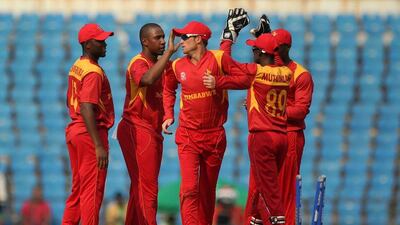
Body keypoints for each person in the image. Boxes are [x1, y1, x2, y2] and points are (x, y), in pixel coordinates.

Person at [161, 16, 250, 225]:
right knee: (190, 188)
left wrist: (219, 82)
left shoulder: (219, 59)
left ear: (199, 39)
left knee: (208, 191)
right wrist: (168, 115)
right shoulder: (176, 66)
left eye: (185, 37)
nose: (181, 41)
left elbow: (246, 78)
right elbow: (168, 88)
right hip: (188, 135)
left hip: (215, 135)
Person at [204, 30, 292, 224]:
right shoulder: (286, 73)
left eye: (254, 50)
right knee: (263, 184)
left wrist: (228, 38)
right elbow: (241, 81)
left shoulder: (256, 71)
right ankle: (256, 218)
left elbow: (227, 63)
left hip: (262, 137)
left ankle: (278, 218)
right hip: (282, 137)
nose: (252, 53)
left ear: (261, 53)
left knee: (268, 186)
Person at [116, 23, 179, 225]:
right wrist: (169, 53)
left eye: (163, 37)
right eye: (158, 38)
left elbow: (168, 91)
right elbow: (147, 80)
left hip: (151, 130)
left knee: (140, 186)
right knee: (147, 187)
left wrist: (168, 115)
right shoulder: (138, 62)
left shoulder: (161, 65)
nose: (162, 42)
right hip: (137, 127)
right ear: (145, 41)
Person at [63, 23, 115, 225]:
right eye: (100, 40)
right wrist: (98, 145)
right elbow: (86, 107)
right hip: (89, 134)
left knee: (78, 189)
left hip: (76, 130)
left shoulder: (78, 64)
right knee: (92, 191)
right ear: (87, 44)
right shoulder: (92, 71)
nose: (105, 43)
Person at [272, 28, 314, 225]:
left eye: (277, 48)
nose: (273, 51)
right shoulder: (268, 70)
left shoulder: (301, 75)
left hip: (290, 134)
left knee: (287, 189)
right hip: (269, 134)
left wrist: (273, 112)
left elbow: (301, 110)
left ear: (287, 48)